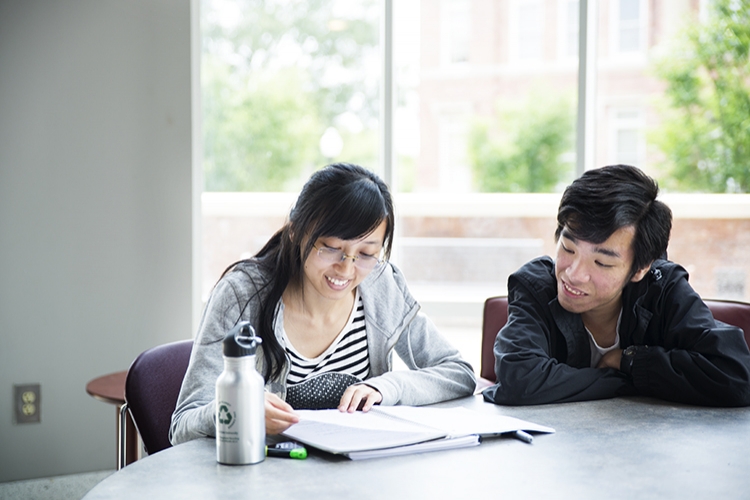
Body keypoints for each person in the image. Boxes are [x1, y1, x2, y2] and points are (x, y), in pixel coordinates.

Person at [171, 163, 476, 445]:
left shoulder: (381, 286)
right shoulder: (242, 295)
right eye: (331, 248)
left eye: (367, 254)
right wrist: (239, 407)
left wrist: (386, 388)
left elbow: (457, 372)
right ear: (296, 231)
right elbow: (182, 426)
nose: (346, 268)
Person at [483, 164, 750, 407]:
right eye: (568, 248)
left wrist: (630, 359)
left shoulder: (662, 288)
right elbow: (519, 379)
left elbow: (736, 375)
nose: (574, 274)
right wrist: (623, 375)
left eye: (601, 263)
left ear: (641, 268)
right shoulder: (536, 285)